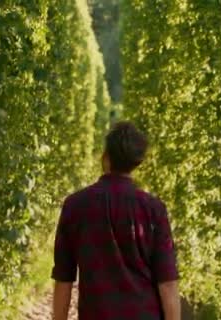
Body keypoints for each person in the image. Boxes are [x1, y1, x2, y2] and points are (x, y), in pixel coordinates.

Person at [52, 121, 180, 320]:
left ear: (106, 157)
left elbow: (63, 278)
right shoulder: (154, 209)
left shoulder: (75, 205)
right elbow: (168, 282)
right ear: (138, 162)